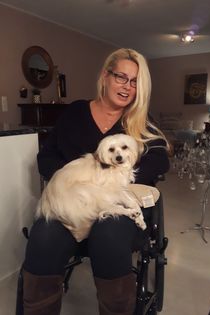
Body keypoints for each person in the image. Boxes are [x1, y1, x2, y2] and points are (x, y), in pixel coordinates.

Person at [22, 48, 170, 315]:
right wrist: (72, 179)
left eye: (135, 82)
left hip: (116, 203)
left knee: (109, 235)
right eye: (121, 77)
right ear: (105, 76)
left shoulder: (140, 122)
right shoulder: (76, 112)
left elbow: (160, 161)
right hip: (75, 202)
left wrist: (119, 176)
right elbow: (47, 155)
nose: (127, 87)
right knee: (43, 237)